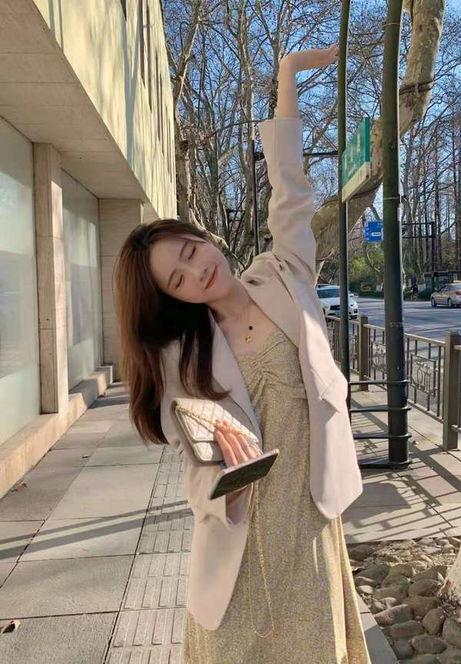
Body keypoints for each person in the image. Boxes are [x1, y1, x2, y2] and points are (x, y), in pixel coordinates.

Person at [114, 44, 370, 664]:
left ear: (204, 238)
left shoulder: (285, 275)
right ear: (172, 299)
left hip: (309, 518)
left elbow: (291, 191)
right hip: (241, 532)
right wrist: (222, 482)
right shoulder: (183, 357)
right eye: (177, 280)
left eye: (190, 252)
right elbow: (195, 467)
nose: (196, 272)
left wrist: (287, 78)